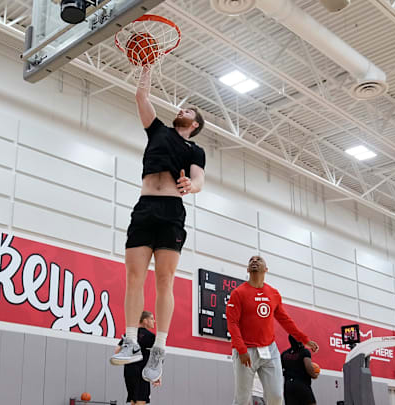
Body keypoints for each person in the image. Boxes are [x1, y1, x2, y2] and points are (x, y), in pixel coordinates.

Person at [110, 66, 206, 385]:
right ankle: (132, 340)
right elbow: (141, 96)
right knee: (133, 276)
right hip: (145, 206)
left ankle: (160, 349)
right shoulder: (157, 129)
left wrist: (190, 186)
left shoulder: (195, 150)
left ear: (193, 125)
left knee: (165, 280)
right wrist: (146, 68)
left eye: (187, 111)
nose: (181, 109)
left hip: (171, 210)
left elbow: (199, 180)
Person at [226, 255, 319, 405]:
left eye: (259, 260)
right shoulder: (238, 293)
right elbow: (232, 322)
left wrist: (304, 339)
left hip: (270, 350)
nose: (254, 261)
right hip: (245, 351)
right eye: (251, 260)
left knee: (276, 396)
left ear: (266, 269)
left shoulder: (273, 294)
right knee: (242, 399)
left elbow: (285, 320)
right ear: (248, 269)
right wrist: (241, 349)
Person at [115, 311, 157, 405]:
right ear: (145, 320)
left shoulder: (130, 334)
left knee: (133, 401)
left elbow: (117, 350)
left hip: (129, 371)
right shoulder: (151, 336)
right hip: (142, 372)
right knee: (141, 401)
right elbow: (157, 356)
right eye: (151, 318)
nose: (154, 321)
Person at [281, 335, 319, 405]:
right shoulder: (304, 352)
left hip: (288, 386)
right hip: (302, 385)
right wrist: (314, 375)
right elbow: (308, 368)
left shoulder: (284, 354)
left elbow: (279, 370)